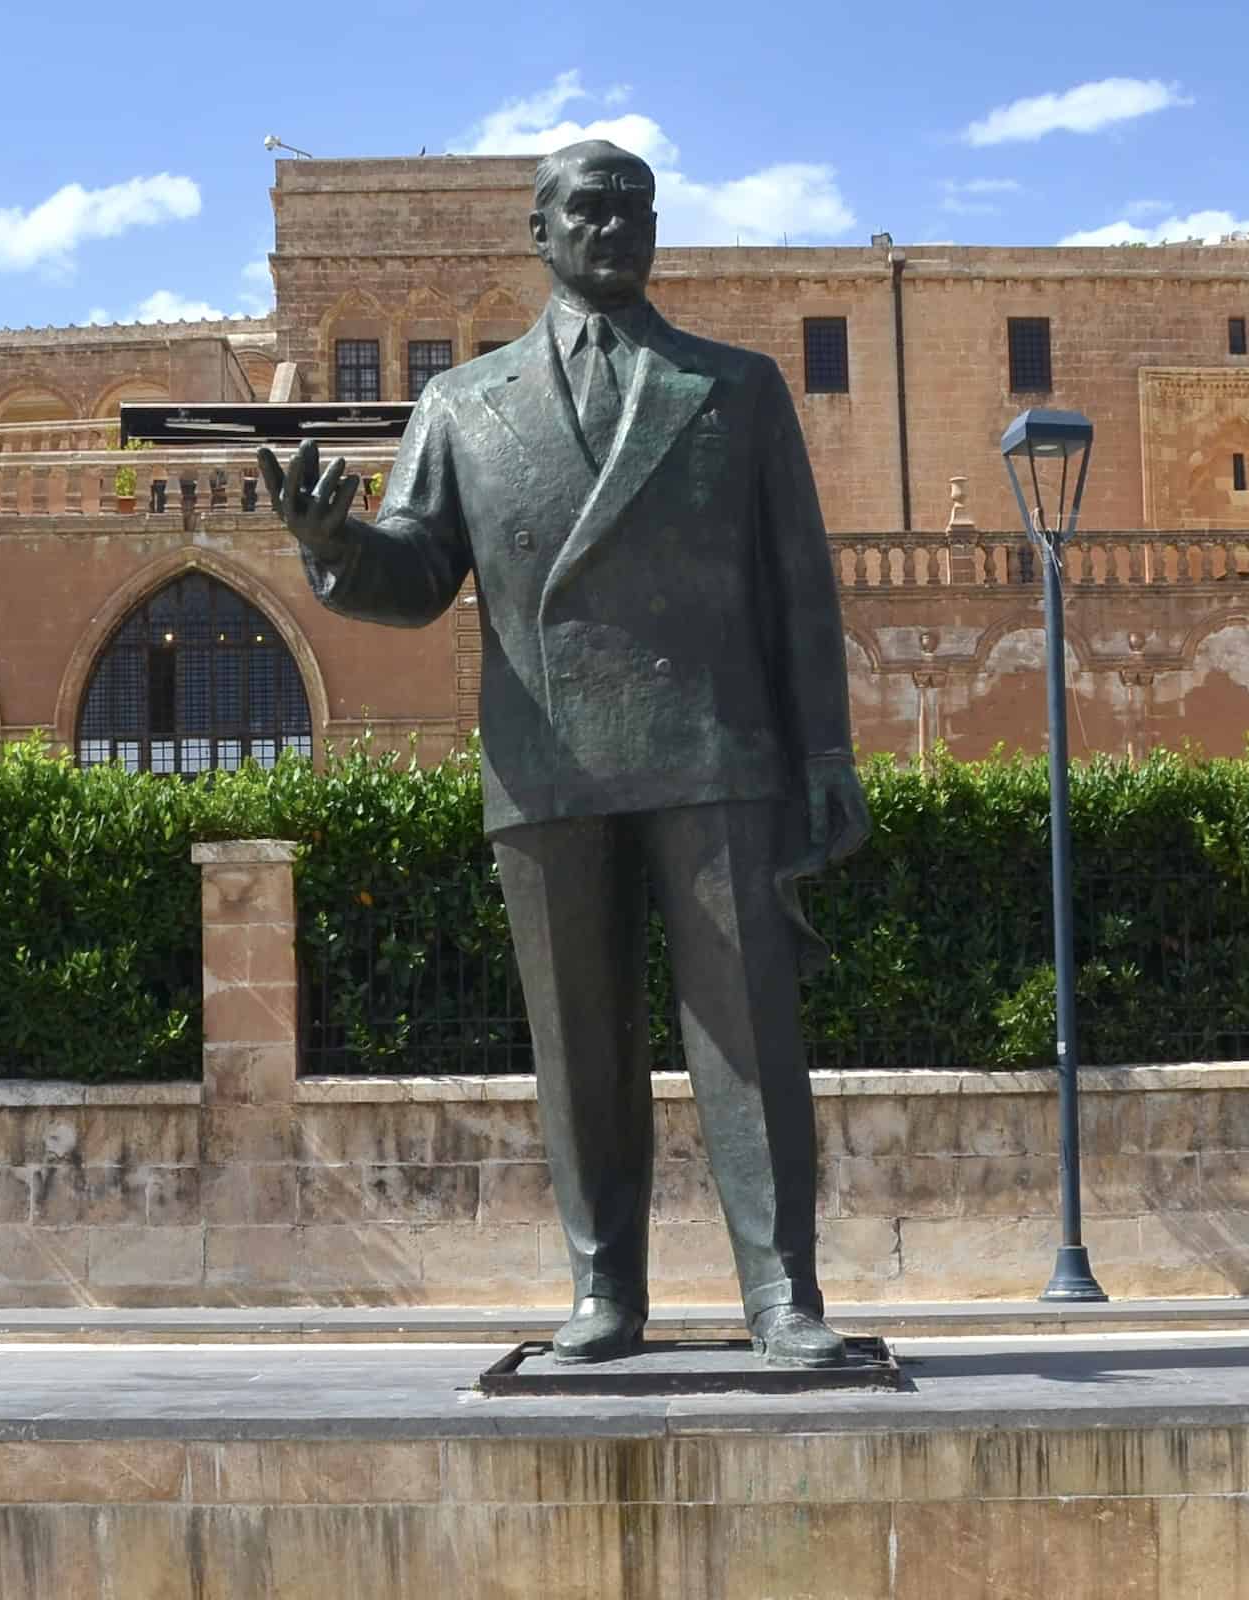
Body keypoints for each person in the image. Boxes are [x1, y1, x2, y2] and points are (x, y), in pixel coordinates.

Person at [259, 139, 869, 1366]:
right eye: (590, 208)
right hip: (549, 765)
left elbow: (800, 590)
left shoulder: (737, 391)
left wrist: (827, 754)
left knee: (749, 1036)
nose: (617, 225)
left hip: (715, 746)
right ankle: (604, 1289)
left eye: (637, 207)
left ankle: (782, 1293)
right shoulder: (464, 405)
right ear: (540, 233)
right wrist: (333, 544)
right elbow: (418, 572)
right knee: (578, 1044)